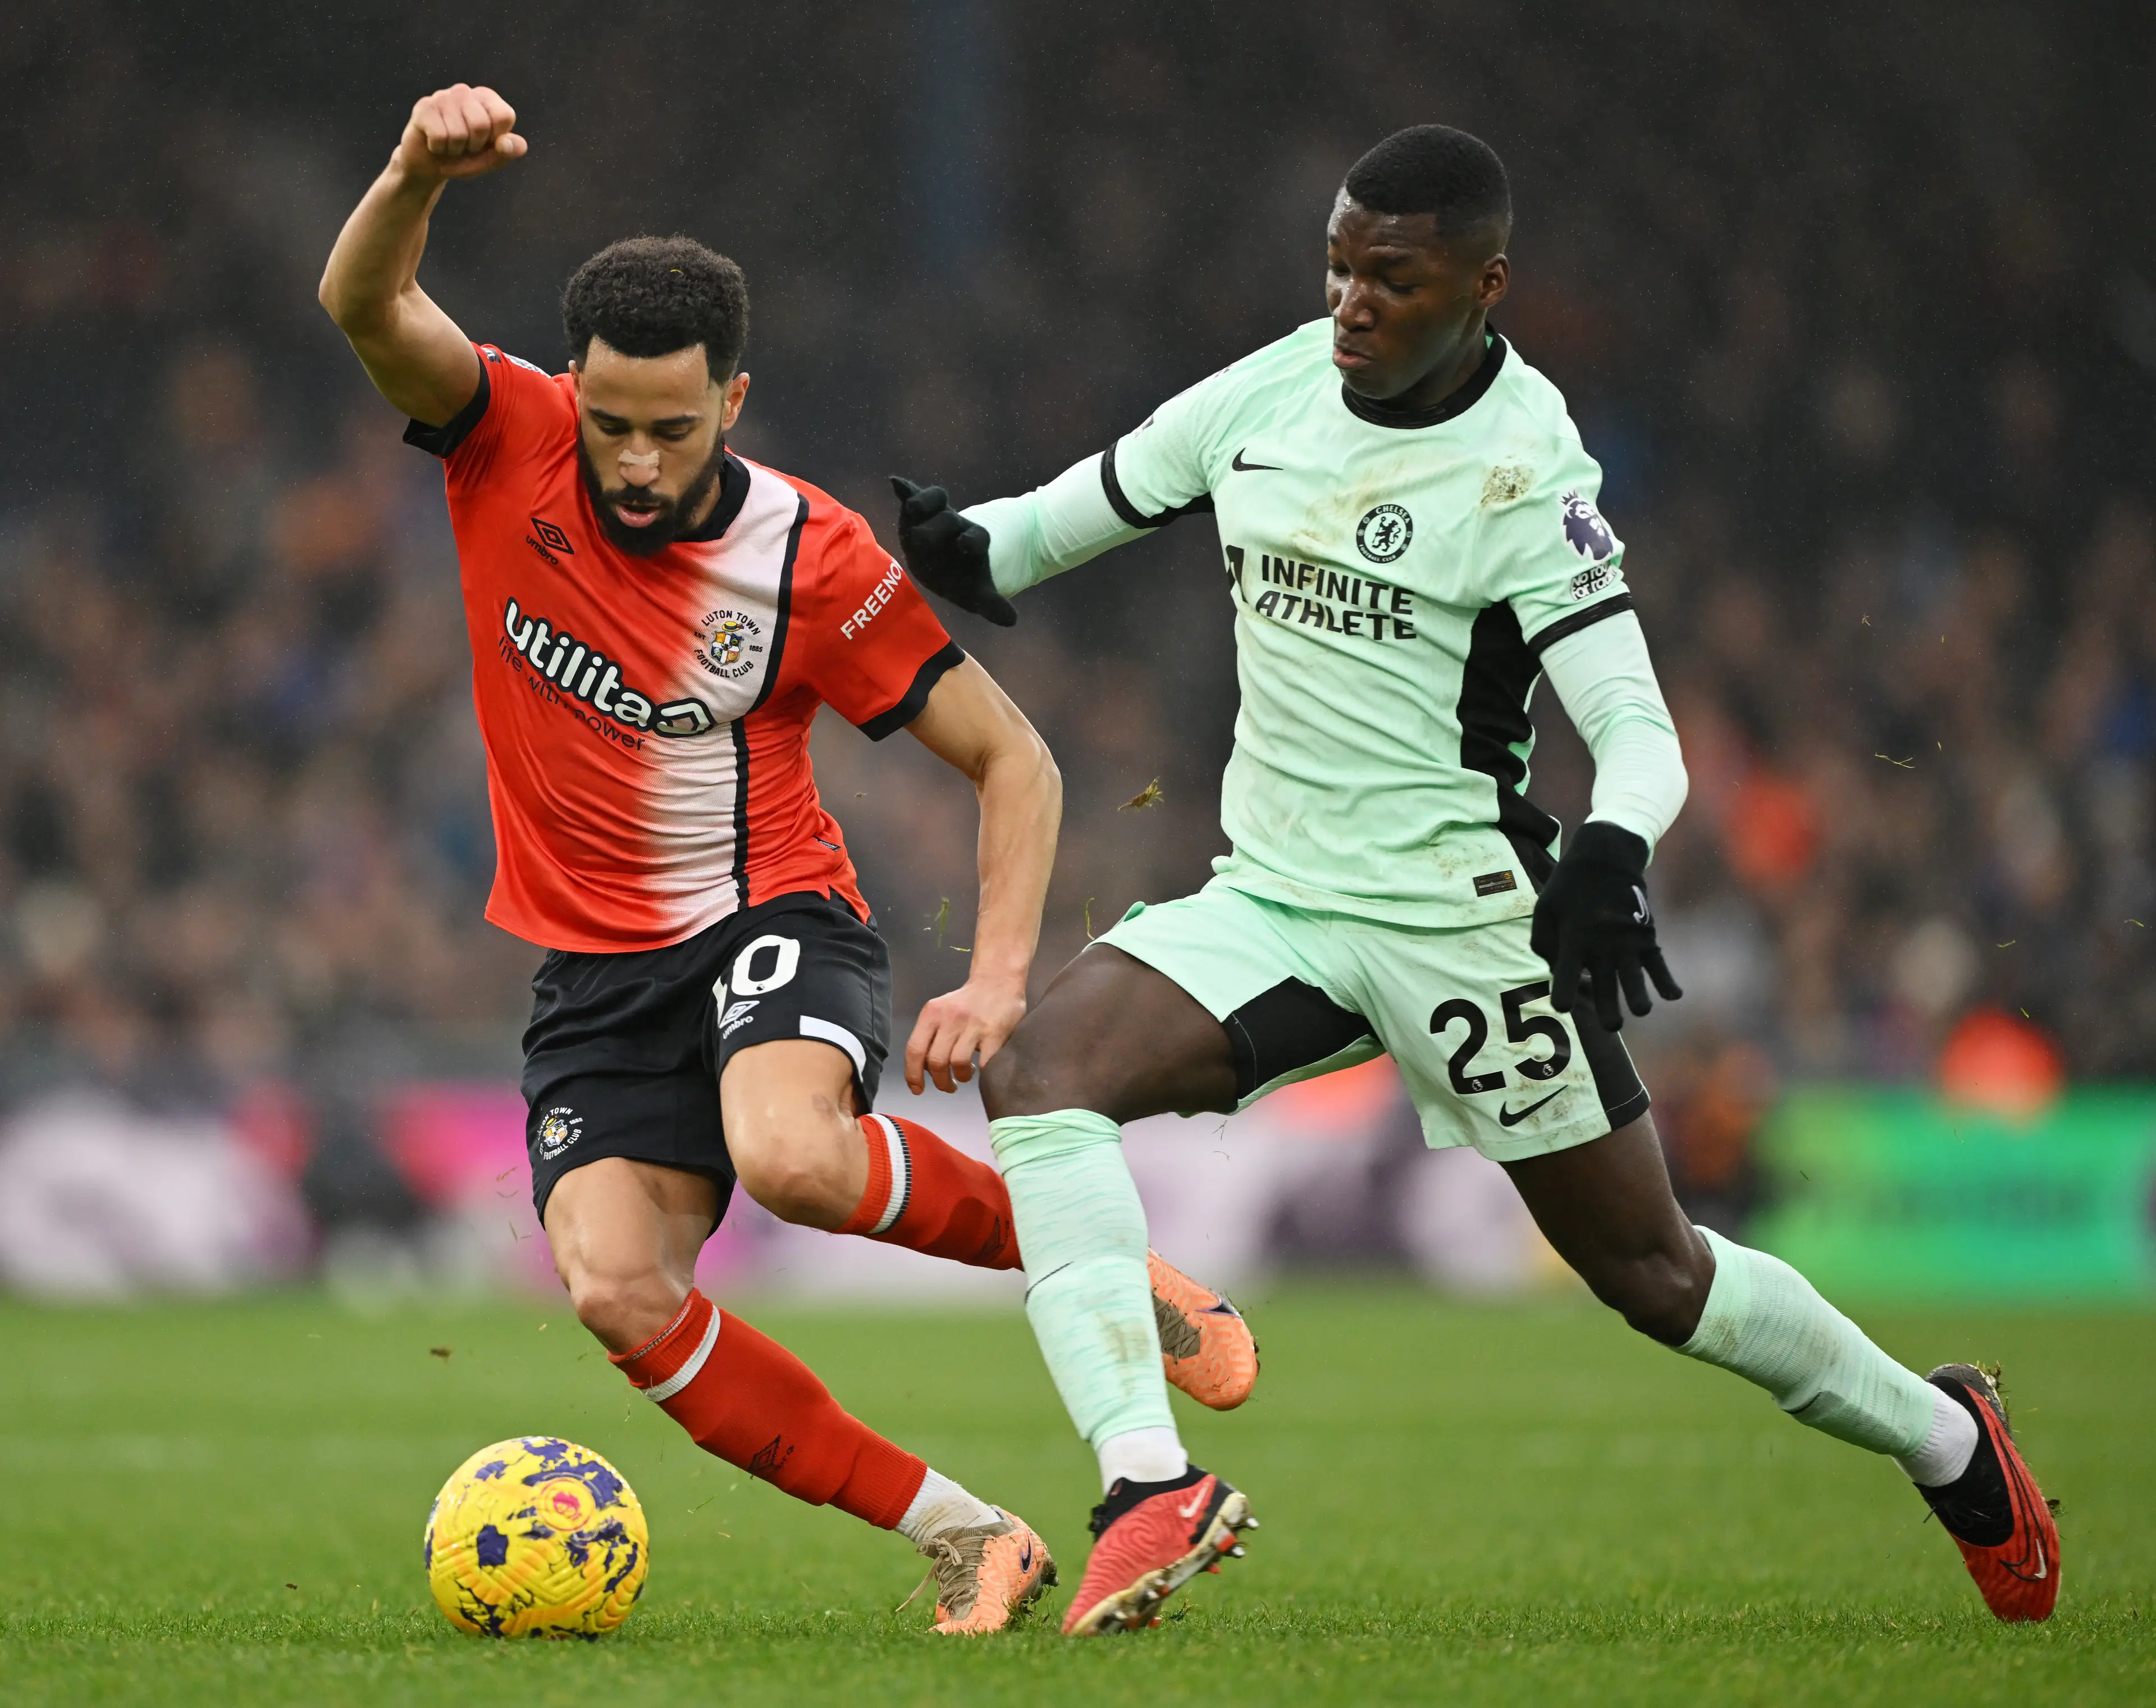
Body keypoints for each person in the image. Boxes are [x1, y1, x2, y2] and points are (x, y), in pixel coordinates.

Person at [891, 124, 2059, 1632]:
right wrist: (936, 542)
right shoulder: (1263, 396)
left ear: (1484, 287)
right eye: (1337, 268)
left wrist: (1614, 856)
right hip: (1279, 903)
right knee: (1042, 1070)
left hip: (1468, 929)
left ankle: (1949, 1439)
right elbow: (1031, 541)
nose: (1352, 304)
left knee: (1657, 1276)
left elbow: (1636, 726)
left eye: (1393, 277)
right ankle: (1146, 1485)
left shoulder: (1524, 468)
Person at [317, 83, 1254, 1636]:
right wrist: (414, 167)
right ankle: (968, 1533)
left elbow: (1013, 756)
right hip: (595, 969)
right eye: (608, 422)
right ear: (571, 386)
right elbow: (364, 300)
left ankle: (1102, 1260)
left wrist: (1002, 976)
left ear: (734, 402)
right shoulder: (505, 435)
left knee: (795, 1157)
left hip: (770, 914)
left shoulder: (809, 557)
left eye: (670, 430)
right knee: (617, 1288)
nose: (629, 461)